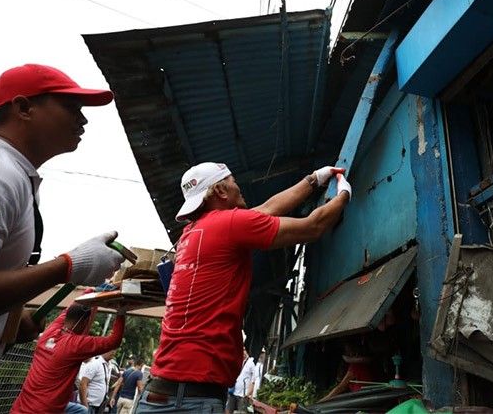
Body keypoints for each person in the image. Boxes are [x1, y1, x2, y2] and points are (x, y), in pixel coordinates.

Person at [0, 64, 127, 413]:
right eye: (71, 107)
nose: (82, 120)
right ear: (24, 108)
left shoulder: (12, 177)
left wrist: (11, 323)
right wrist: (66, 267)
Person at [136, 162, 352, 412]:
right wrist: (344, 193)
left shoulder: (192, 232)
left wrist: (313, 179)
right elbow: (313, 226)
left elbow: (267, 209)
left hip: (158, 392)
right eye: (233, 181)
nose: (238, 187)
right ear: (221, 191)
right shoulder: (230, 225)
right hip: (194, 399)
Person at [10, 303, 125, 413]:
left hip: (20, 408)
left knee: (81, 410)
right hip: (46, 410)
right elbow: (114, 341)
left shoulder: (49, 333)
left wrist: (91, 291)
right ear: (84, 322)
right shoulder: (74, 345)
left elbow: (68, 310)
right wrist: (121, 311)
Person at [318, 341, 383, 402]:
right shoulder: (361, 364)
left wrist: (322, 401)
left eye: (348, 352)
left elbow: (341, 387)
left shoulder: (356, 366)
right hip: (367, 397)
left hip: (365, 398)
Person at [225, 349, 256, 414]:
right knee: (228, 411)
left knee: (241, 412)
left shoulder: (251, 362)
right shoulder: (237, 360)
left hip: (243, 395)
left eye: (244, 350)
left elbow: (253, 380)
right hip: (232, 392)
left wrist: (248, 394)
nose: (243, 352)